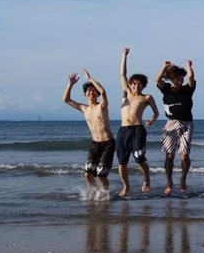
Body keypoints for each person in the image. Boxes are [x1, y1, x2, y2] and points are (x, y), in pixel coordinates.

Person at [62, 69, 115, 198]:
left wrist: (90, 78)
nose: (91, 92)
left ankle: (105, 194)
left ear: (96, 94)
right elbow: (66, 100)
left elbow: (103, 91)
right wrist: (70, 84)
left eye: (93, 91)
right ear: (85, 94)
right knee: (88, 173)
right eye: (88, 91)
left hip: (108, 143)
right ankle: (96, 192)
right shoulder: (84, 108)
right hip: (95, 144)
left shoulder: (102, 106)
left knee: (101, 174)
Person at [117, 47, 159, 198]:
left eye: (139, 84)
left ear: (143, 86)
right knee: (122, 162)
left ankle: (147, 179)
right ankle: (125, 186)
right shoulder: (127, 93)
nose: (136, 86)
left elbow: (156, 112)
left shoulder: (146, 98)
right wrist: (124, 56)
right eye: (134, 84)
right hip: (123, 130)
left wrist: (152, 120)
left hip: (137, 130)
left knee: (139, 158)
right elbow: (122, 74)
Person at [156, 59, 195, 195]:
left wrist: (189, 67)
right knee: (170, 156)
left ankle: (183, 180)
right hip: (171, 123)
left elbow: (191, 77)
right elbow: (158, 79)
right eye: (177, 80)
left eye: (181, 79)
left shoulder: (187, 90)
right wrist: (164, 67)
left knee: (184, 156)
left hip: (186, 123)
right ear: (172, 79)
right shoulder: (167, 90)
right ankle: (169, 182)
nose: (180, 82)